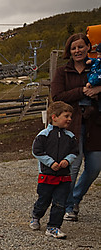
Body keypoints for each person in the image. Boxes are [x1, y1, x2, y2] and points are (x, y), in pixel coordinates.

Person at [51, 32, 101, 221]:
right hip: (72, 125)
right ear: (69, 51)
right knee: (73, 166)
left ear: (88, 47)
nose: (77, 50)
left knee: (95, 166)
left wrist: (97, 90)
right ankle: (69, 205)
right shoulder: (63, 72)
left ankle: (75, 197)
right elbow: (57, 96)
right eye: (73, 48)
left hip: (95, 123)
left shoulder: (96, 67)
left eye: (81, 46)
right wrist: (82, 91)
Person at [31, 101, 78, 239]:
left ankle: (53, 227)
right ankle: (36, 216)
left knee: (60, 203)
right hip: (47, 176)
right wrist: (50, 163)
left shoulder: (70, 136)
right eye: (66, 116)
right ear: (54, 117)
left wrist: (67, 160)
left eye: (70, 116)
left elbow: (75, 151)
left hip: (64, 177)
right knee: (43, 200)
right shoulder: (43, 135)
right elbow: (37, 151)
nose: (69, 119)